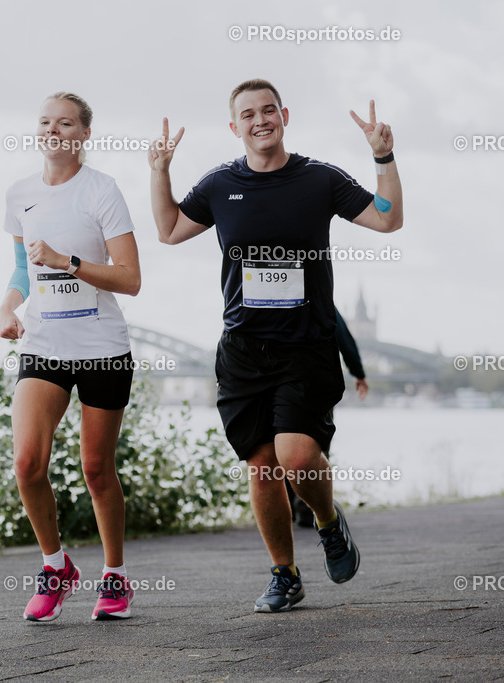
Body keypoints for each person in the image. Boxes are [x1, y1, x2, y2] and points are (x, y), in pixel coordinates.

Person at [148, 79, 402, 613]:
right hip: (243, 349)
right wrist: (159, 172)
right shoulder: (220, 184)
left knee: (297, 453)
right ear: (234, 126)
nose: (260, 119)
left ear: (283, 115)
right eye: (248, 113)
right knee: (262, 467)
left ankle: (330, 524)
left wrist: (384, 156)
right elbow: (169, 229)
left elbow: (387, 218)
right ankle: (284, 574)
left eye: (269, 110)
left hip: (306, 346)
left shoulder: (319, 178)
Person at [0, 92, 142, 621]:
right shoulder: (20, 195)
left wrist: (68, 261)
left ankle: (115, 577)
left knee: (97, 469)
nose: (53, 130)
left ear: (83, 134)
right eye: (45, 121)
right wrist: (7, 307)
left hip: (102, 347)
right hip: (43, 345)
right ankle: (55, 566)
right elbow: (21, 270)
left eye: (65, 122)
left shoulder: (102, 191)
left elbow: (130, 279)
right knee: (27, 461)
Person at [288, 307, 369, 528]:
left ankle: (293, 507)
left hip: (281, 385)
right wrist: (358, 373)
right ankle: (307, 508)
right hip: (318, 385)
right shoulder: (321, 301)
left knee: (284, 447)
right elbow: (344, 338)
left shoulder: (272, 300)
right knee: (316, 447)